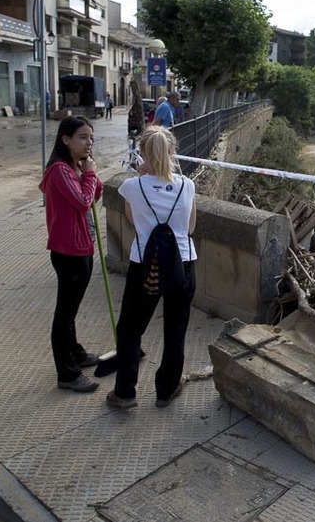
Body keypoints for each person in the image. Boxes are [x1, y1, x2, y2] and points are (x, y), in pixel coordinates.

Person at [106, 126, 197, 410]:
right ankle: (166, 389)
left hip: (145, 264)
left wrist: (142, 176)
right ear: (173, 152)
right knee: (175, 328)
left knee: (131, 327)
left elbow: (132, 219)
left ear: (142, 154)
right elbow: (190, 228)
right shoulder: (187, 185)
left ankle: (125, 392)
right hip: (183, 263)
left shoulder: (132, 186)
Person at [38, 116, 103, 393]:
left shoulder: (73, 168)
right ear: (65, 139)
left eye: (90, 137)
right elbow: (82, 201)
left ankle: (75, 353)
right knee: (64, 314)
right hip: (68, 251)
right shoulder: (59, 170)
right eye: (82, 137)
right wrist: (87, 175)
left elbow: (94, 194)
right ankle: (66, 373)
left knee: (71, 310)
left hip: (81, 247)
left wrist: (90, 172)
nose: (88, 142)